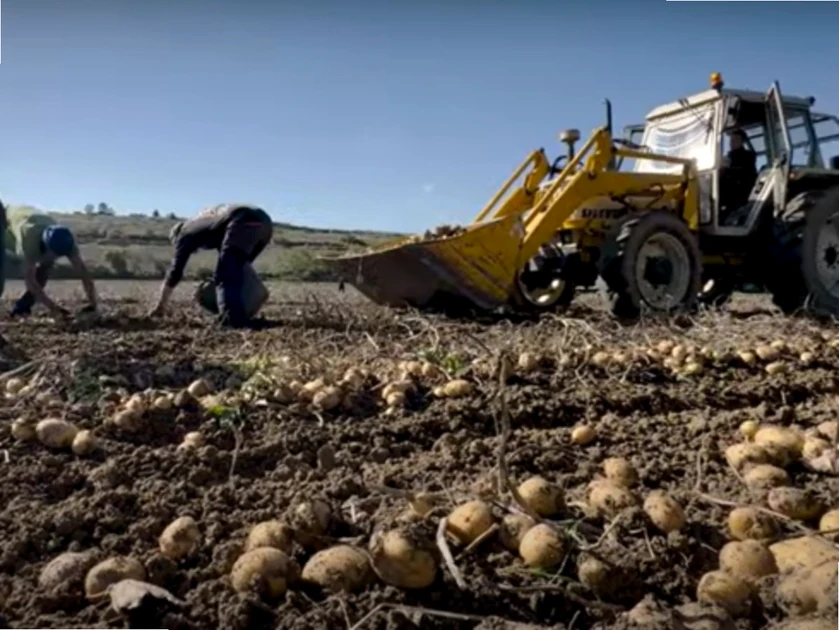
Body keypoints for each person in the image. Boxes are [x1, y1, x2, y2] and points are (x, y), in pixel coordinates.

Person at [148, 203, 274, 328]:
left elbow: (175, 272)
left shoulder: (184, 234)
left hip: (242, 221)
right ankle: (242, 312)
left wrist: (161, 305)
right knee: (237, 270)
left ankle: (231, 320)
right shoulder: (207, 225)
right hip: (265, 224)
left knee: (226, 276)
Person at [5, 206, 97, 318]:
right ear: (45, 247)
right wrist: (54, 308)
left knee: (45, 270)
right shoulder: (29, 241)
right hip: (6, 220)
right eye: (55, 254)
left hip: (33, 219)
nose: (57, 258)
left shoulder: (68, 241)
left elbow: (84, 274)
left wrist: (93, 305)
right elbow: (30, 281)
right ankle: (19, 310)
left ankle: (22, 307)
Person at [721, 129, 758, 213]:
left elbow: (745, 171)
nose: (732, 143)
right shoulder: (728, 156)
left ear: (742, 142)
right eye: (731, 140)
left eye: (735, 140)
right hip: (732, 187)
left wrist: (727, 169)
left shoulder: (749, 155)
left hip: (742, 189)